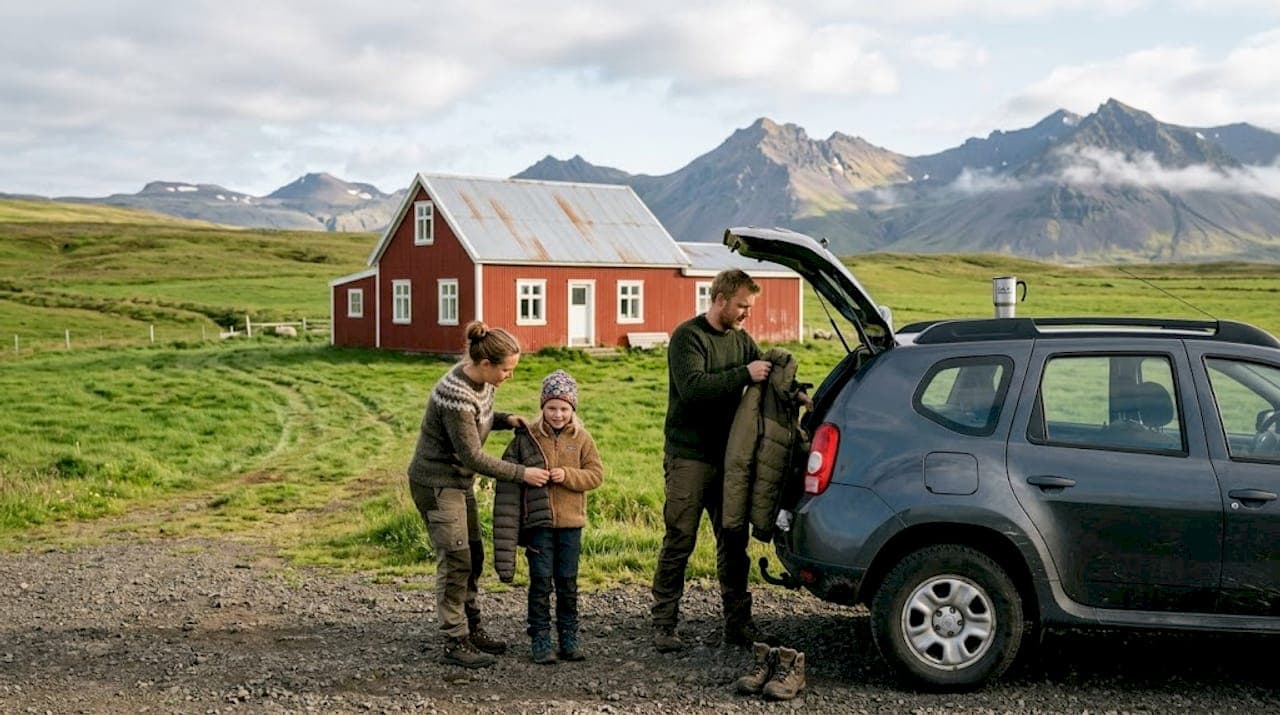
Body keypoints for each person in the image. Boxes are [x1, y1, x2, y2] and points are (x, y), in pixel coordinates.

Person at [406, 320, 551, 669]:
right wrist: (522, 474)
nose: (509, 377)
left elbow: (478, 419)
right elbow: (472, 455)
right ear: (486, 364)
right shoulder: (455, 394)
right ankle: (454, 641)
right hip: (437, 484)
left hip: (458, 484)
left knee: (473, 555)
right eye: (507, 370)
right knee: (456, 560)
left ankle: (472, 628)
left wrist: (505, 419)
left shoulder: (481, 383)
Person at [650, 268, 775, 652]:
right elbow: (693, 389)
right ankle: (664, 625)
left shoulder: (743, 340)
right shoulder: (688, 337)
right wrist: (744, 374)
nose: (746, 314)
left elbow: (764, 376)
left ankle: (739, 626)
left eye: (749, 307)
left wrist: (794, 395)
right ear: (720, 299)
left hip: (729, 462)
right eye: (742, 306)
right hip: (688, 458)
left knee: (734, 541)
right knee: (680, 540)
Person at [500, 369, 604, 664]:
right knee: (541, 580)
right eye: (552, 408)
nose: (557, 415)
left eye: (563, 408)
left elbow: (596, 475)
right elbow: (509, 471)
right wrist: (526, 477)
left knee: (567, 582)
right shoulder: (528, 438)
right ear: (542, 407)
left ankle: (569, 637)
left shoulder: (582, 439)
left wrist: (567, 475)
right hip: (538, 525)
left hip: (571, 525)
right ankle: (541, 638)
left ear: (573, 409)